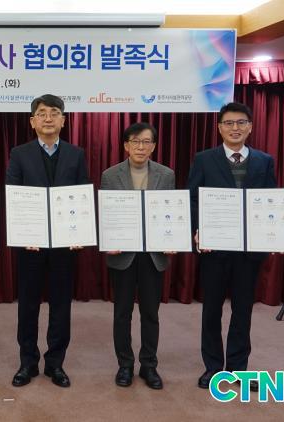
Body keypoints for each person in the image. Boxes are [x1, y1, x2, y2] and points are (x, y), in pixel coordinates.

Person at [188, 102, 277, 392]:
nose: (235, 128)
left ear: (250, 127)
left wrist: (279, 232)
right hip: (214, 249)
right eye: (228, 123)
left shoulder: (264, 161)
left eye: (241, 123)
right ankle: (213, 368)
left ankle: (238, 369)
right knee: (211, 310)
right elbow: (193, 199)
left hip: (249, 251)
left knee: (243, 311)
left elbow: (272, 202)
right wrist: (197, 230)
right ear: (219, 128)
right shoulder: (204, 159)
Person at [5, 94, 89, 388]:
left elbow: (82, 195)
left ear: (63, 120)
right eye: (42, 113)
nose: (48, 118)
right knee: (28, 305)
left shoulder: (76, 154)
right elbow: (13, 195)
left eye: (55, 112)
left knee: (61, 306)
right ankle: (27, 363)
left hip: (65, 246)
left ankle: (55, 364)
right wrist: (22, 233)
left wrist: (80, 233)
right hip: (31, 245)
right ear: (32, 121)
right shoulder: (19, 153)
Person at [100, 122, 175, 390]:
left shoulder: (167, 175)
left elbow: (171, 213)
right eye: (135, 141)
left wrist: (172, 239)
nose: (140, 147)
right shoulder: (110, 175)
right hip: (123, 253)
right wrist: (107, 240)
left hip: (153, 254)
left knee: (150, 313)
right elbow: (106, 214)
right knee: (122, 313)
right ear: (126, 145)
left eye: (146, 142)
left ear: (153, 146)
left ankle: (149, 365)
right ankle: (125, 365)